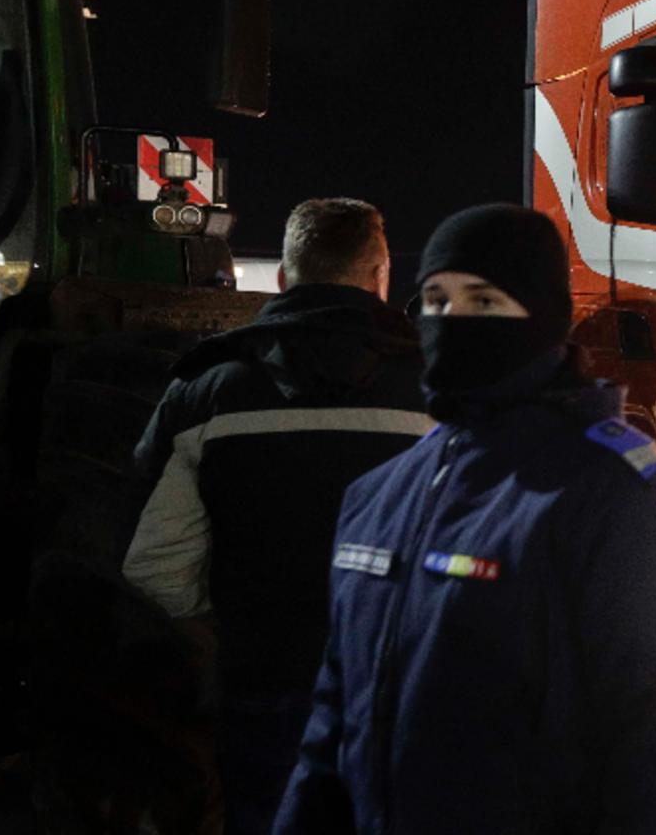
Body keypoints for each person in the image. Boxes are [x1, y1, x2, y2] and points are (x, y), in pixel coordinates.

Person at [274, 203, 656, 835]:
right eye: (435, 300)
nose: (451, 320)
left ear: (542, 317)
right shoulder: (379, 496)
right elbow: (333, 722)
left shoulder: (615, 499)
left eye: (482, 303)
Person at [121, 197, 429, 835]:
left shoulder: (206, 391)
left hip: (264, 681)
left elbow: (156, 569)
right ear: (380, 275)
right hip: (407, 688)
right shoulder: (443, 394)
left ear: (285, 280)